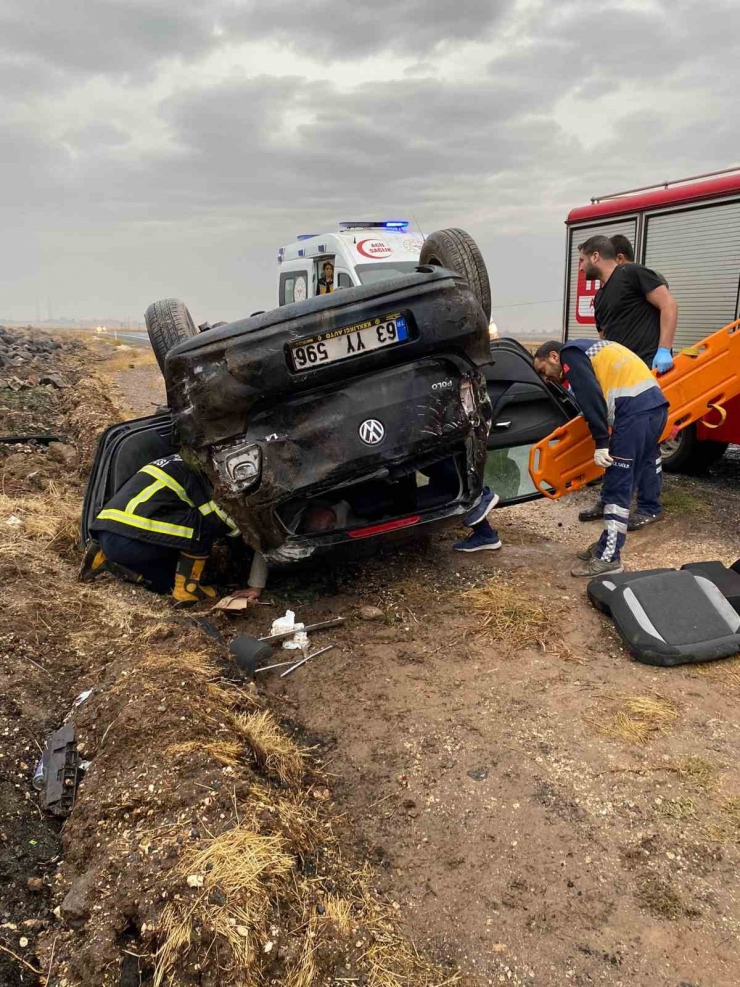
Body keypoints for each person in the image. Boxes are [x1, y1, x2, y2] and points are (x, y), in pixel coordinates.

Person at [534, 339, 668, 577]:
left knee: (619, 485)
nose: (546, 378)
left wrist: (601, 443)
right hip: (655, 408)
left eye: (543, 371)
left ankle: (610, 559)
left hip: (633, 415)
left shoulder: (571, 354)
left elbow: (590, 395)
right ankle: (607, 543)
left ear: (554, 356)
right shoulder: (590, 348)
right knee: (635, 473)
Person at [576, 234, 677, 529]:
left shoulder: (632, 273)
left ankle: (649, 505)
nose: (580, 268)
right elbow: (604, 337)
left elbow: (669, 305)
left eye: (582, 260)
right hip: (618, 379)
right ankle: (609, 498)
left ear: (596, 256)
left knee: (646, 445)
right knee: (615, 441)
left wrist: (664, 350)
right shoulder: (600, 296)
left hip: (645, 371)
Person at [79, 454, 267, 604]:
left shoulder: (182, 460)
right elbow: (219, 521)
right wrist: (247, 537)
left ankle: (106, 557)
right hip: (133, 539)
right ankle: (187, 591)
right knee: (202, 527)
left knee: (166, 581)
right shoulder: (205, 479)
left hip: (108, 529)